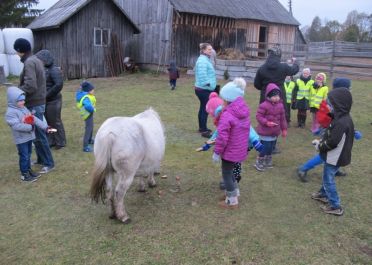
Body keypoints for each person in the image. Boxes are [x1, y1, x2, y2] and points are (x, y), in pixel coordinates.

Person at [197, 88, 263, 190]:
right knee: (231, 163)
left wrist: (255, 141)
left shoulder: (227, 116)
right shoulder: (226, 114)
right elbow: (217, 134)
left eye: (212, 115)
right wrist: (207, 145)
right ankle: (231, 181)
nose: (212, 117)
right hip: (237, 143)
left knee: (234, 163)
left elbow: (249, 129)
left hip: (245, 144)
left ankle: (233, 183)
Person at [297, 78, 360, 182]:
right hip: (331, 129)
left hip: (336, 127)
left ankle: (335, 169)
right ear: (342, 89)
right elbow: (337, 119)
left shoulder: (341, 98)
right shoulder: (333, 101)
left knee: (338, 149)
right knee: (325, 154)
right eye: (349, 88)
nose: (350, 90)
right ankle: (303, 169)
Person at [310, 87, 354, 216]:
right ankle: (323, 194)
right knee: (327, 176)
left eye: (331, 104)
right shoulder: (341, 118)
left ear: (339, 105)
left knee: (328, 179)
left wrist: (320, 145)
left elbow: (333, 142)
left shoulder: (341, 122)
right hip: (336, 156)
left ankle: (335, 206)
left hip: (335, 157)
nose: (328, 106)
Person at [14, 38, 55, 174]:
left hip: (35, 103)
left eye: (17, 51)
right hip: (37, 101)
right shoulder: (35, 60)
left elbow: (31, 85)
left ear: (20, 50)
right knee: (35, 134)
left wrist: (18, 93)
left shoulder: (30, 62)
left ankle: (49, 163)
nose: (16, 54)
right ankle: (41, 159)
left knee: (39, 134)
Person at [212, 78, 250, 209]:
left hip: (230, 151)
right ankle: (234, 192)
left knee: (226, 173)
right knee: (231, 172)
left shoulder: (227, 115)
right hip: (240, 149)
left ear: (228, 99)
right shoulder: (243, 111)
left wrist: (217, 152)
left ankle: (232, 201)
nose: (222, 101)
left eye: (224, 98)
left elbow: (222, 137)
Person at [5, 86, 55, 182]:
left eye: (23, 100)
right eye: (20, 101)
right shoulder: (10, 113)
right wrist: (30, 127)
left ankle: (28, 170)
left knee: (28, 154)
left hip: (28, 137)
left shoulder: (23, 108)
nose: (23, 102)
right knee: (24, 156)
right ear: (13, 101)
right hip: (21, 139)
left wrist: (45, 127)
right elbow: (16, 126)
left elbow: (34, 119)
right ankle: (24, 175)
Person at [253, 46, 299, 122]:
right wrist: (296, 62)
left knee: (264, 113)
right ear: (279, 55)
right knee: (278, 115)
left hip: (265, 94)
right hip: (279, 93)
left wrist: (265, 88)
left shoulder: (262, 68)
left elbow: (256, 84)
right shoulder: (284, 67)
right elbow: (294, 70)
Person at [35, 49, 66, 149]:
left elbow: (58, 85)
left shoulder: (54, 70)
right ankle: (52, 140)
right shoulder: (45, 69)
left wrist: (47, 95)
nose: (40, 62)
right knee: (48, 121)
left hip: (54, 101)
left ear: (46, 59)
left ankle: (60, 142)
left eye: (41, 60)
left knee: (55, 121)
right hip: (47, 100)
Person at [254, 83, 287, 171]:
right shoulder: (264, 105)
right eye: (274, 96)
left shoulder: (280, 105)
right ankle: (259, 161)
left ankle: (267, 160)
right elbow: (258, 116)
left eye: (278, 95)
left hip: (275, 132)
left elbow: (283, 118)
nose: (276, 97)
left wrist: (284, 129)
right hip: (265, 131)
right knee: (265, 147)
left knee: (271, 147)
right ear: (268, 96)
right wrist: (266, 122)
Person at [194, 43, 217, 138]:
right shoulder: (203, 61)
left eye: (211, 49)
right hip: (203, 89)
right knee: (205, 109)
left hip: (203, 88)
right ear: (203, 50)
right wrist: (209, 83)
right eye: (208, 49)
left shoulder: (205, 59)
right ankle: (203, 129)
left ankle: (202, 128)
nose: (210, 51)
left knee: (203, 108)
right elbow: (202, 74)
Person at [76, 81, 96, 152]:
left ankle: (90, 140)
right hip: (87, 114)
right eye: (92, 90)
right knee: (88, 129)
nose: (93, 91)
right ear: (88, 91)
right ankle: (85, 146)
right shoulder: (85, 97)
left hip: (89, 114)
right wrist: (93, 109)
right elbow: (87, 106)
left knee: (91, 127)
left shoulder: (86, 95)